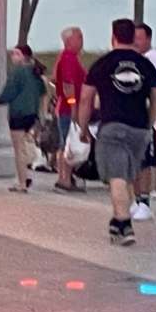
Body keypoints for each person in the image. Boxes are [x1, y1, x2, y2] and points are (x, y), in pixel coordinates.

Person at [78, 19, 156, 246]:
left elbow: (86, 99)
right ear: (132, 37)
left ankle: (124, 224)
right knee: (125, 176)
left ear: (113, 36)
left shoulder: (102, 64)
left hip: (112, 127)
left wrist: (83, 127)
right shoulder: (146, 65)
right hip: (139, 128)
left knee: (117, 177)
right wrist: (149, 123)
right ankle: (116, 222)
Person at [0, 45, 46, 194]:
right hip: (32, 114)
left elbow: (8, 92)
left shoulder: (17, 73)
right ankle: (25, 176)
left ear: (23, 56)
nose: (12, 56)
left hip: (18, 114)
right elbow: (43, 93)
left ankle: (22, 182)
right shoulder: (36, 72)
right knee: (26, 145)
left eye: (16, 53)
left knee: (19, 149)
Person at [131, 23, 156, 219]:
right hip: (134, 115)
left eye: (139, 38)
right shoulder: (134, 58)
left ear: (148, 39)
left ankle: (144, 200)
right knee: (134, 161)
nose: (136, 42)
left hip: (149, 117)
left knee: (145, 160)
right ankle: (136, 199)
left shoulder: (155, 59)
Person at [53, 27, 87, 193]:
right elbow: (67, 84)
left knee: (67, 142)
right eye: (78, 37)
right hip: (68, 108)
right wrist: (73, 105)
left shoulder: (70, 58)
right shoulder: (68, 58)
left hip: (68, 107)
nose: (82, 40)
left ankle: (66, 177)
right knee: (67, 143)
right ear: (69, 41)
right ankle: (64, 178)